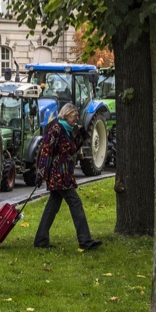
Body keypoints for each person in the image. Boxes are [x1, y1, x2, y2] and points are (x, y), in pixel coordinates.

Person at [32, 103, 102, 251]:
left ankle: (40, 240)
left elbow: (71, 150)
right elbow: (46, 152)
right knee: (75, 203)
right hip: (59, 176)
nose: (76, 118)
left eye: (77, 116)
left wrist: (81, 135)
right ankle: (85, 241)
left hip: (65, 175)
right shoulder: (56, 130)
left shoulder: (68, 131)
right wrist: (40, 174)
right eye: (74, 115)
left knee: (52, 207)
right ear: (65, 115)